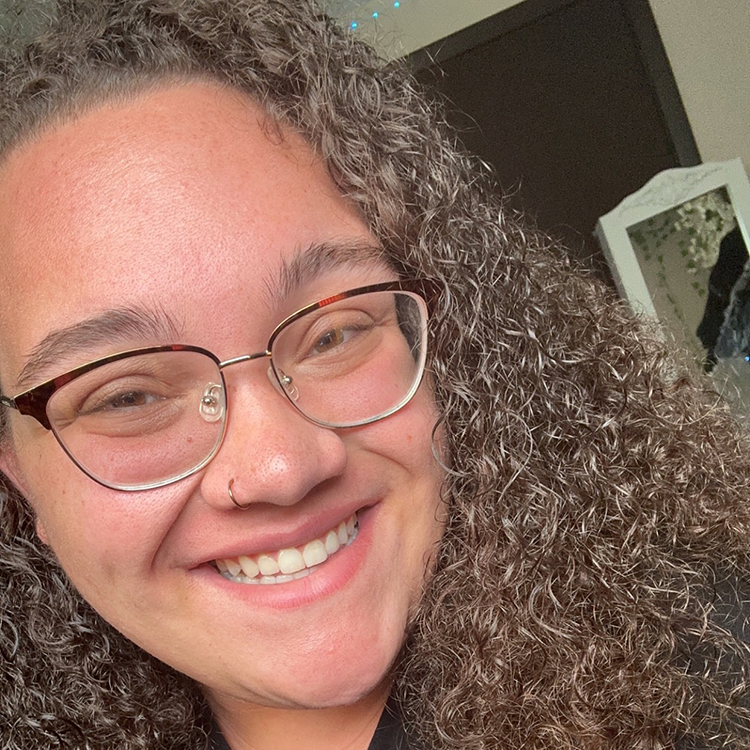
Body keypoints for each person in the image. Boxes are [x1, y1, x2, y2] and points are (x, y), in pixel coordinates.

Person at [0, 1, 749, 749]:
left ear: (453, 338)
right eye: (127, 396)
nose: (281, 467)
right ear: (20, 478)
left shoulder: (711, 670)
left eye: (334, 333)